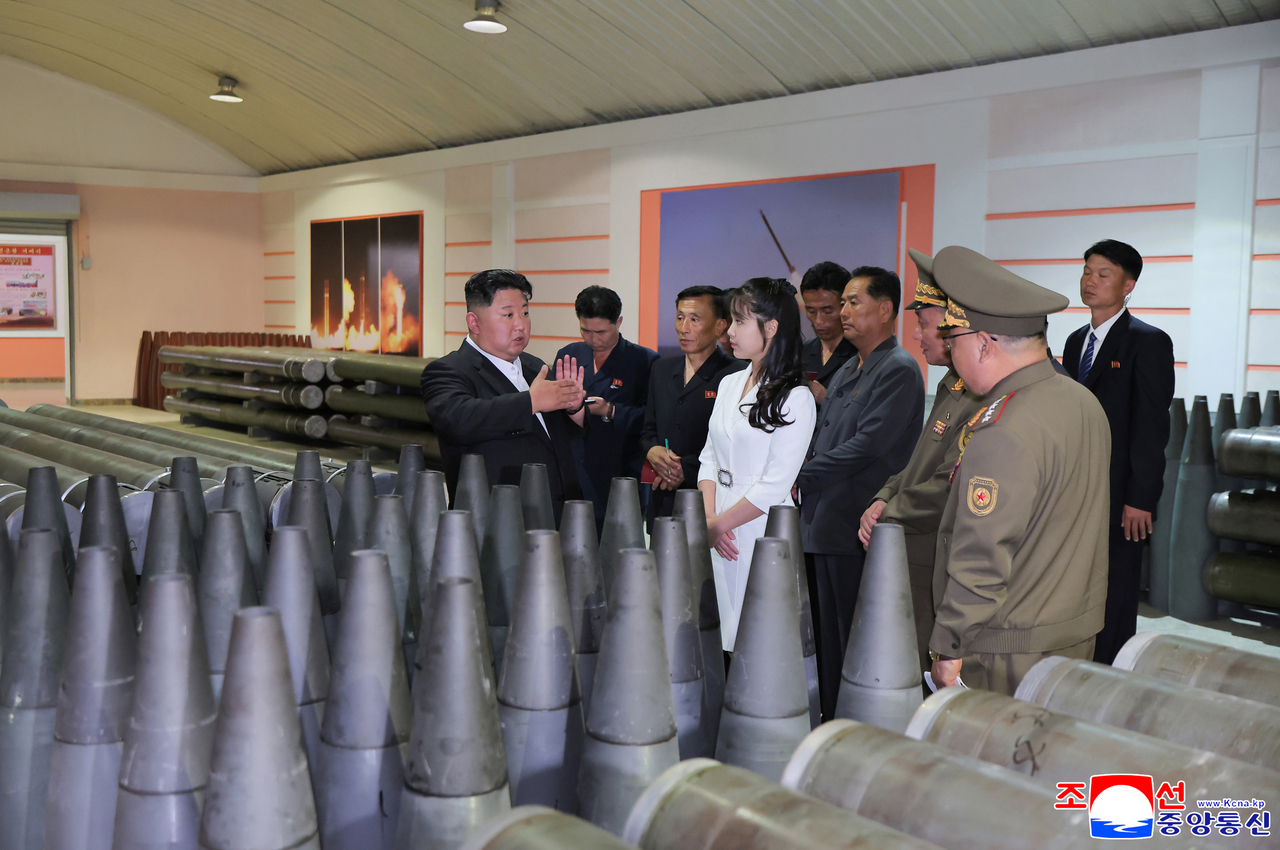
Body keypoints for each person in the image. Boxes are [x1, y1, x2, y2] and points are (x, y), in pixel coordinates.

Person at [927, 245, 1111, 697]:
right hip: (1071, 632)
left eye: (953, 340)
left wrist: (949, 645)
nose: (950, 352)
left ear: (984, 344)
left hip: (1008, 649)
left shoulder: (1003, 429)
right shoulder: (1081, 400)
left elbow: (982, 556)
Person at [797, 266, 924, 718]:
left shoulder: (898, 369)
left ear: (886, 309)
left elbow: (868, 444)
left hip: (857, 524)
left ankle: (857, 726)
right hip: (824, 521)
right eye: (844, 303)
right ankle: (833, 720)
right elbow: (823, 436)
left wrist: (801, 475)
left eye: (854, 302)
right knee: (829, 640)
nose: (843, 312)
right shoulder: (851, 367)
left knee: (857, 640)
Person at [858, 249, 983, 671]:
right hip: (910, 552)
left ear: (950, 329)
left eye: (925, 324)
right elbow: (917, 463)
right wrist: (884, 496)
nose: (917, 335)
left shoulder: (978, 394)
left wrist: (889, 509)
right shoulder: (951, 384)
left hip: (933, 558)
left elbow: (949, 481)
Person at [1062, 240, 1174, 665]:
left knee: (1116, 593)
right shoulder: (1075, 341)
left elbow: (1151, 426)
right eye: (1087, 271)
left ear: (1128, 286)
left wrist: (1140, 498)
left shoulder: (1147, 342)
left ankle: (1108, 675)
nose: (1090, 281)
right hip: (1075, 491)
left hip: (1120, 496)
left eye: (1103, 274)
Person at [698, 278, 815, 652]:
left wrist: (719, 525)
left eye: (739, 321)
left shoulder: (796, 398)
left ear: (771, 327)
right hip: (717, 529)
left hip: (760, 531)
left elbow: (775, 484)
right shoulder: (730, 383)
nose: (729, 332)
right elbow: (709, 457)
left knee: (757, 643)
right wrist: (709, 519)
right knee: (714, 638)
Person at [420, 269, 586, 524]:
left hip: (557, 516)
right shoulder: (448, 370)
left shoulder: (535, 366)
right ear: (474, 322)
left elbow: (556, 437)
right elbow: (460, 420)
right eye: (508, 315)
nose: (520, 324)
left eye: (525, 313)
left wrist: (574, 409)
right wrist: (531, 402)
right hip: (497, 522)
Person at [555, 286, 659, 530]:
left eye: (601, 332)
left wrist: (611, 411)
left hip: (622, 471)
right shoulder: (569, 355)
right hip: (574, 468)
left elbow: (653, 419)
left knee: (618, 539)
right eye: (586, 330)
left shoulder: (645, 361)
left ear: (618, 322)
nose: (593, 339)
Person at [641, 285, 745, 525]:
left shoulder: (737, 374)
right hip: (663, 501)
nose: (683, 328)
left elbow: (735, 445)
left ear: (720, 326)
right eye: (680, 318)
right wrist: (652, 451)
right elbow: (648, 430)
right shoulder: (662, 369)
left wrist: (683, 470)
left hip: (713, 505)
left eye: (694, 319)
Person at [800, 261, 857, 406]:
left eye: (827, 311)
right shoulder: (798, 353)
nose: (819, 321)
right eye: (811, 311)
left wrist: (827, 399)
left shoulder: (861, 355)